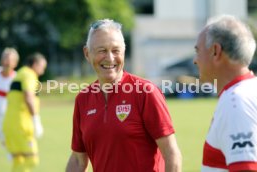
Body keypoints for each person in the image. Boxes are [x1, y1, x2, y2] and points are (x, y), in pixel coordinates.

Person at [66, 19, 182, 172]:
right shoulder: (83, 100)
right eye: (101, 50)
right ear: (87, 53)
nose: (110, 58)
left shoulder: (145, 92)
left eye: (116, 50)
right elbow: (78, 160)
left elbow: (171, 153)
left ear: (124, 51)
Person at [194, 15, 257, 171]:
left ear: (215, 51)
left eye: (197, 51)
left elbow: (248, 169)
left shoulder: (237, 102)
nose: (195, 60)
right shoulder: (253, 89)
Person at [2, 53, 47, 172]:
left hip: (10, 125)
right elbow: (28, 95)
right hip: (21, 126)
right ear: (35, 64)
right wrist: (36, 120)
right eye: (42, 67)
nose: (43, 71)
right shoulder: (29, 74)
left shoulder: (21, 73)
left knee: (19, 161)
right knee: (31, 159)